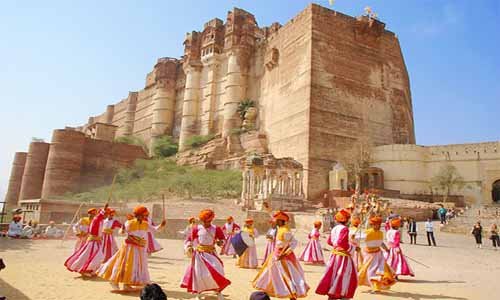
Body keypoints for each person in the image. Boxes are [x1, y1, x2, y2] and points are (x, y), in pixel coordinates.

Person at [98, 206, 166, 292]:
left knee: (134, 267)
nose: (146, 217)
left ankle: (127, 284)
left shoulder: (145, 224)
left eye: (146, 215)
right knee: (125, 265)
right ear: (138, 215)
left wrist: (162, 225)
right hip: (129, 248)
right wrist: (122, 230)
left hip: (140, 248)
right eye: (144, 215)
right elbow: (121, 232)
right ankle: (114, 280)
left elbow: (155, 229)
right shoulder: (129, 223)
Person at [253, 210, 310, 299]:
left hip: (284, 258)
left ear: (280, 221)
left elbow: (293, 243)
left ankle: (292, 294)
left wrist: (285, 254)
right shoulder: (279, 229)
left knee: (287, 276)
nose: (274, 221)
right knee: (271, 274)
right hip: (275, 256)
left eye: (276, 220)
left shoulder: (285, 231)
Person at [181, 209, 230, 300]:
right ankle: (199, 293)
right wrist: (188, 247)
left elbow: (223, 240)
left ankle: (218, 291)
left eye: (209, 221)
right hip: (200, 255)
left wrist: (220, 242)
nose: (207, 223)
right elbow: (188, 240)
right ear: (202, 220)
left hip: (212, 253)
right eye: (205, 221)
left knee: (218, 270)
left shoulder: (216, 229)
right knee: (199, 275)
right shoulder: (196, 228)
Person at [316, 209, 358, 299]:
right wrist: (353, 247)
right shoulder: (345, 229)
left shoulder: (334, 228)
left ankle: (332, 294)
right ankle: (342, 293)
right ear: (346, 220)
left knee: (333, 274)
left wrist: (337, 245)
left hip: (334, 255)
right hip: (343, 257)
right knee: (345, 276)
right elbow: (342, 242)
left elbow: (329, 241)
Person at [65, 203, 110, 276]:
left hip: (93, 240)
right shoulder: (95, 219)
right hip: (88, 239)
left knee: (91, 256)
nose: (92, 215)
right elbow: (76, 226)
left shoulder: (99, 220)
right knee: (85, 254)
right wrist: (78, 233)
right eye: (106, 214)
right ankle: (84, 269)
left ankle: (88, 269)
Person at [358, 215, 397, 292]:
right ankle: (374, 285)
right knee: (370, 270)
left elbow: (381, 243)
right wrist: (353, 236)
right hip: (369, 255)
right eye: (376, 224)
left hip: (378, 254)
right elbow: (358, 238)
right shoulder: (367, 232)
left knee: (380, 270)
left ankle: (377, 285)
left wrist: (386, 249)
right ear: (372, 225)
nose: (378, 226)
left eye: (379, 224)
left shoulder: (380, 233)